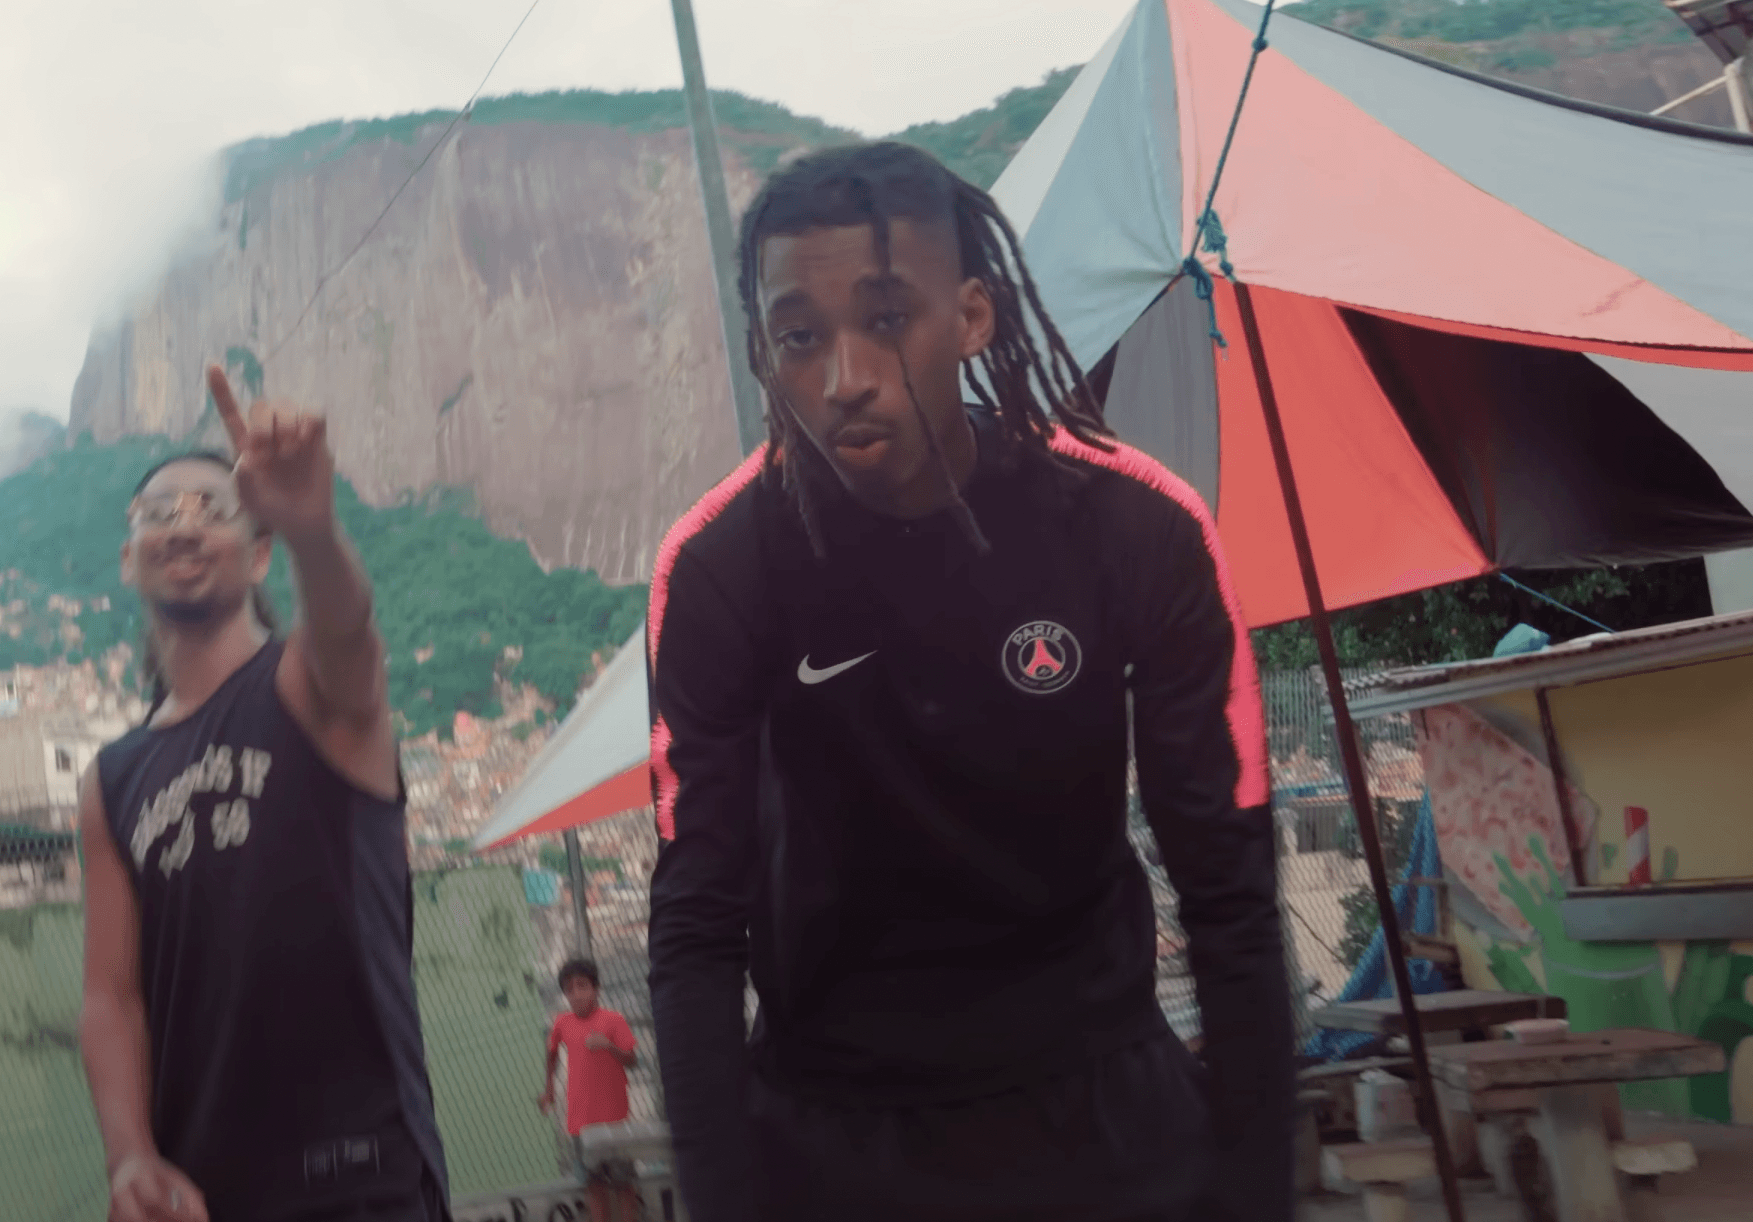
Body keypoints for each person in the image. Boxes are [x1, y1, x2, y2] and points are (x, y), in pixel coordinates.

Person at [645, 141, 1292, 1221]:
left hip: (1103, 1118)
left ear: (974, 317)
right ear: (762, 351)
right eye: (800, 337)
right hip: (835, 1136)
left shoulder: (1137, 526)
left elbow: (1229, 889)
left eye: (887, 318)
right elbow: (695, 927)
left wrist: (1259, 1192)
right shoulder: (718, 568)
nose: (845, 377)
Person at [78, 365, 447, 1222]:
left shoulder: (309, 688)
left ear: (259, 552)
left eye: (214, 508)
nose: (184, 524)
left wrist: (314, 529)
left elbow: (348, 634)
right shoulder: (111, 781)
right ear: (129, 559)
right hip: (200, 1199)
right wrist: (129, 1156)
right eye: (159, 513)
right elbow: (110, 998)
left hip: (362, 1182)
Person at [536, 958, 642, 1222]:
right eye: (569, 989)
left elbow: (632, 1060)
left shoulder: (613, 1020)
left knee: (623, 1187)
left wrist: (609, 1046)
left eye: (582, 986)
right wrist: (549, 1089)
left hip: (615, 1122)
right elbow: (551, 1054)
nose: (576, 994)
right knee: (594, 1188)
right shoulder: (562, 1023)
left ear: (596, 988)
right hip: (581, 1124)